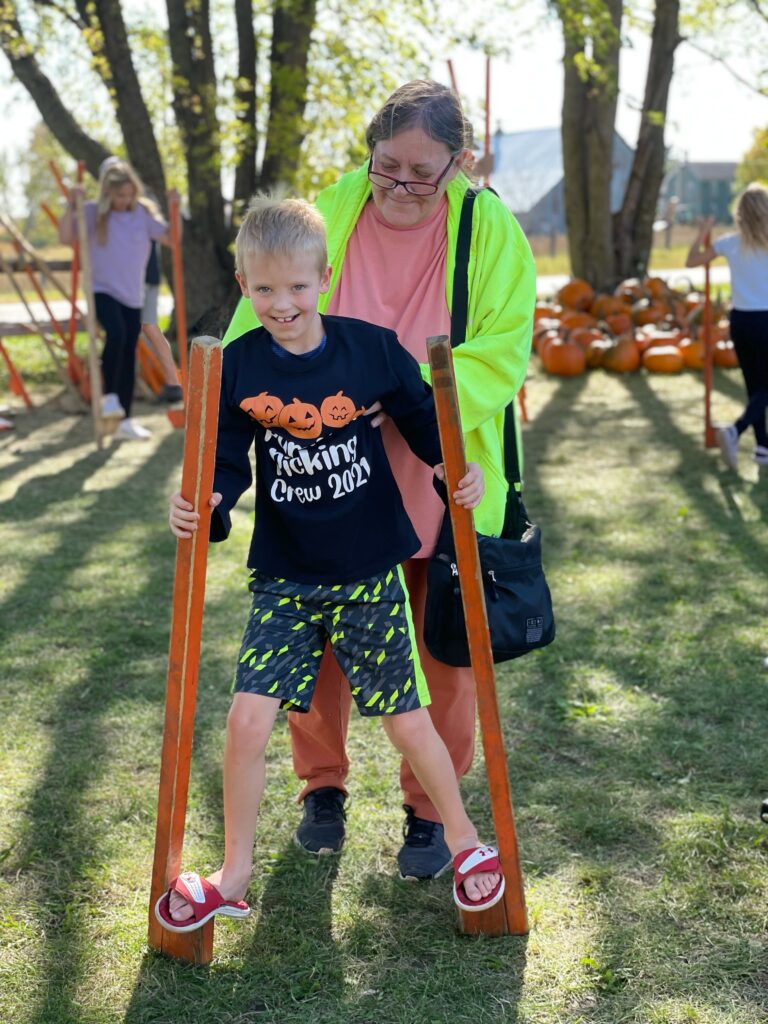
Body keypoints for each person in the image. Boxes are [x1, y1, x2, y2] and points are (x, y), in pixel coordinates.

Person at [155, 197, 504, 932]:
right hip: (285, 578)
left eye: (297, 287)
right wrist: (206, 501)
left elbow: (424, 422)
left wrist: (453, 470)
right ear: (244, 284)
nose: (282, 305)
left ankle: (469, 846)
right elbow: (222, 460)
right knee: (247, 721)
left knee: (408, 721)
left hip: (368, 575)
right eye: (263, 289)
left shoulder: (373, 350)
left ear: (325, 276)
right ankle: (234, 872)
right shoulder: (239, 367)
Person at [221, 80, 535, 881]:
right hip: (329, 459)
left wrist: (400, 392)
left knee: (444, 650)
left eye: (420, 173)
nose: (399, 186)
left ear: (458, 164)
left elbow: (503, 347)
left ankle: (430, 815)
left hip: (437, 446)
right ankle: (321, 788)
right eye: (385, 165)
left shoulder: (488, 227)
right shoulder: (331, 207)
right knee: (316, 640)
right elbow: (255, 322)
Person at [58, 159, 172, 440]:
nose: (124, 200)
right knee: (117, 334)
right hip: (102, 289)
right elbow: (64, 237)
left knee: (128, 350)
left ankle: (125, 420)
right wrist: (71, 206)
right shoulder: (92, 212)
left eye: (128, 194)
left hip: (133, 293)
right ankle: (108, 397)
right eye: (119, 195)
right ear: (107, 193)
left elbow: (171, 238)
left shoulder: (142, 214)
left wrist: (174, 210)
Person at [686, 182, 768, 472]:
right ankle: (735, 431)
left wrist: (702, 233)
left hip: (741, 322)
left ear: (741, 213)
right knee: (763, 387)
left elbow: (691, 260)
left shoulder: (730, 243)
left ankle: (762, 448)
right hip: (765, 320)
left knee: (755, 385)